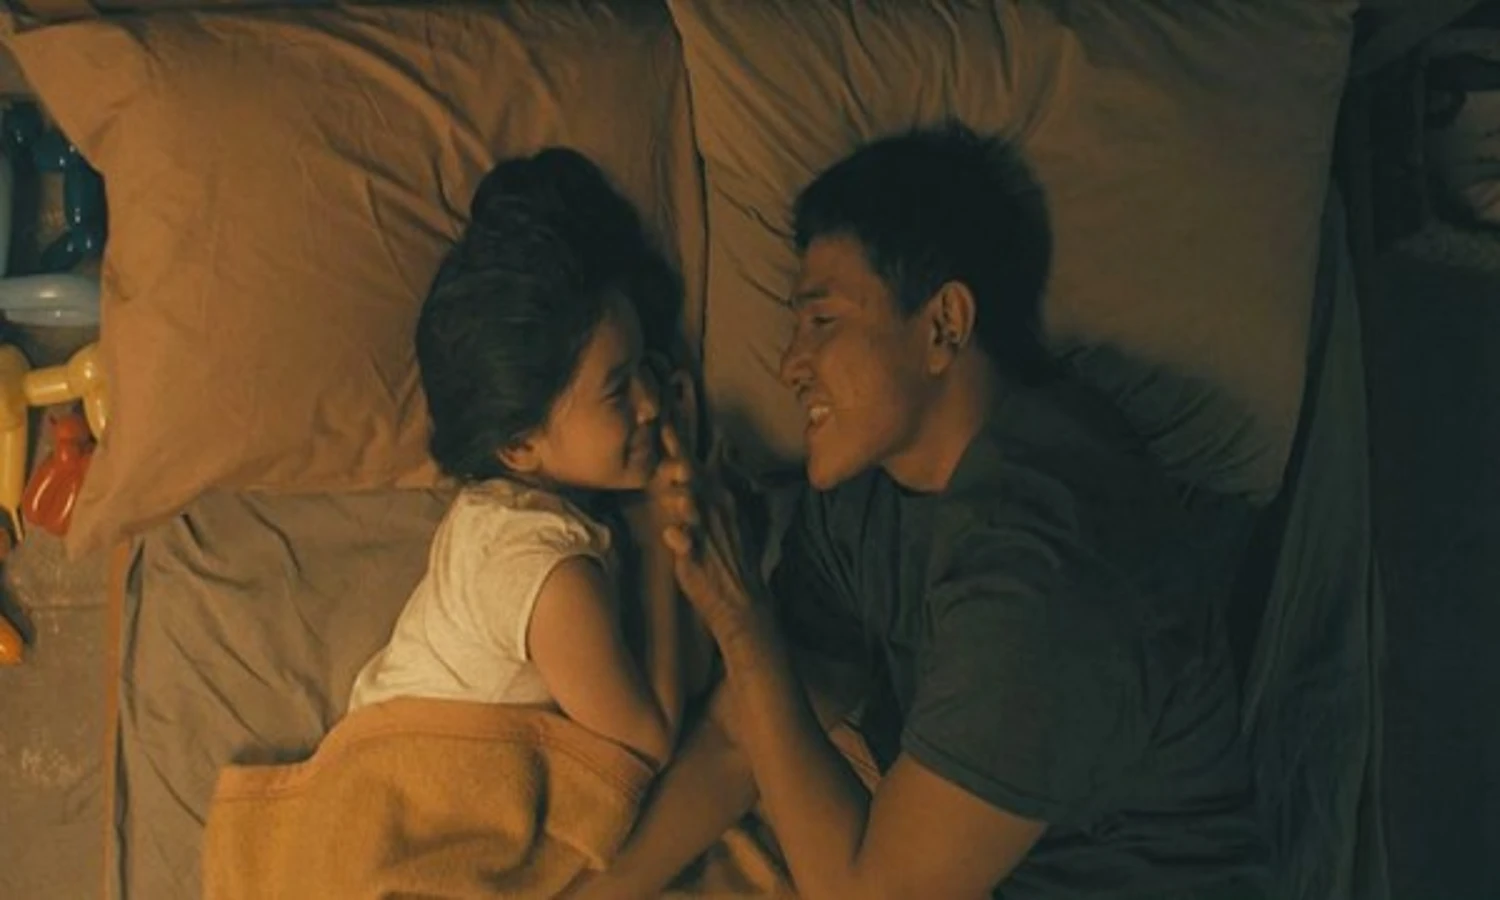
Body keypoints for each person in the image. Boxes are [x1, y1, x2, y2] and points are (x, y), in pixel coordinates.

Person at [582, 123, 1268, 898]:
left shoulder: (1047, 559)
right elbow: (745, 729)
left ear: (944, 325)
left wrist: (742, 622)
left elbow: (869, 894)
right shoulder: (866, 492)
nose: (790, 363)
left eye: (822, 321)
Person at [347, 148, 709, 770]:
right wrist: (658, 531)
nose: (651, 404)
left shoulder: (528, 511)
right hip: (410, 782)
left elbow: (689, 673)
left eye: (645, 367)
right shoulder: (541, 567)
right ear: (519, 445)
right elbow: (647, 744)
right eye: (618, 390)